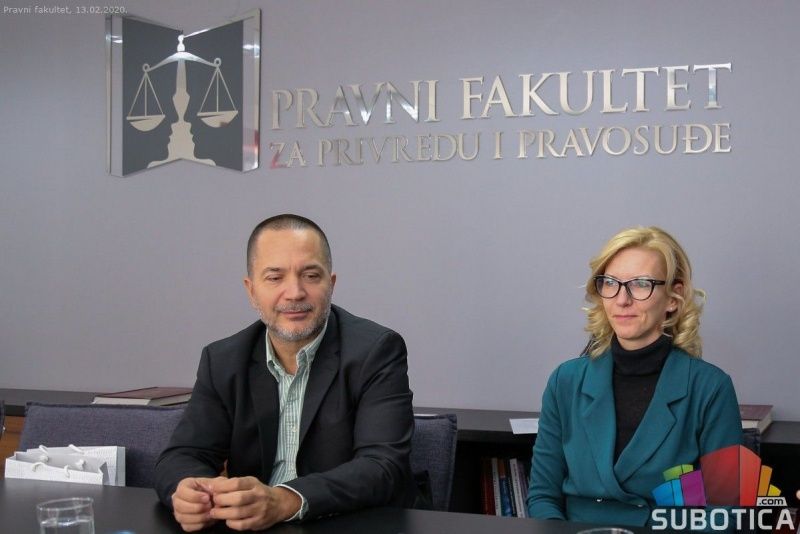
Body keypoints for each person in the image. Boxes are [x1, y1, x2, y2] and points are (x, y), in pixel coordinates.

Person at [154, 214, 416, 532]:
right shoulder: (222, 360)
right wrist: (186, 492)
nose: (294, 293)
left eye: (311, 275)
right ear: (251, 290)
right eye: (275, 278)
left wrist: (284, 500)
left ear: (331, 284)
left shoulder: (376, 351)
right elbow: (182, 455)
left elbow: (383, 468)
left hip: (347, 523)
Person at [527, 226, 742, 526]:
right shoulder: (565, 381)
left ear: (673, 298)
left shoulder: (710, 388)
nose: (622, 300)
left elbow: (725, 510)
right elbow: (542, 496)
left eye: (641, 284)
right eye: (611, 283)